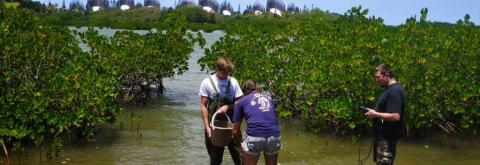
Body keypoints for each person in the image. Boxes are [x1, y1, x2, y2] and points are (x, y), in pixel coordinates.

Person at [199, 56, 243, 165]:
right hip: (213, 126)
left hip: (232, 126)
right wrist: (207, 128)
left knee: (240, 158)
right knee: (215, 160)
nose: (226, 76)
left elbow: (239, 103)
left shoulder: (233, 82)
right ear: (216, 70)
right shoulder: (206, 82)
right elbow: (203, 106)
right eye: (224, 74)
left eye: (228, 73)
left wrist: (228, 106)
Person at [232, 79, 282, 165]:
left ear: (243, 92)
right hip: (274, 134)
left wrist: (239, 147)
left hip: (254, 135)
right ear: (257, 88)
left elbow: (235, 131)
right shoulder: (269, 99)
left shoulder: (240, 102)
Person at [364, 64, 406, 165]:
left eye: (378, 77)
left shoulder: (394, 91)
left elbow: (395, 116)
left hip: (387, 138)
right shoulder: (390, 89)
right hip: (383, 137)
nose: (376, 80)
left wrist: (376, 114)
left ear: (387, 75)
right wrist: (374, 112)